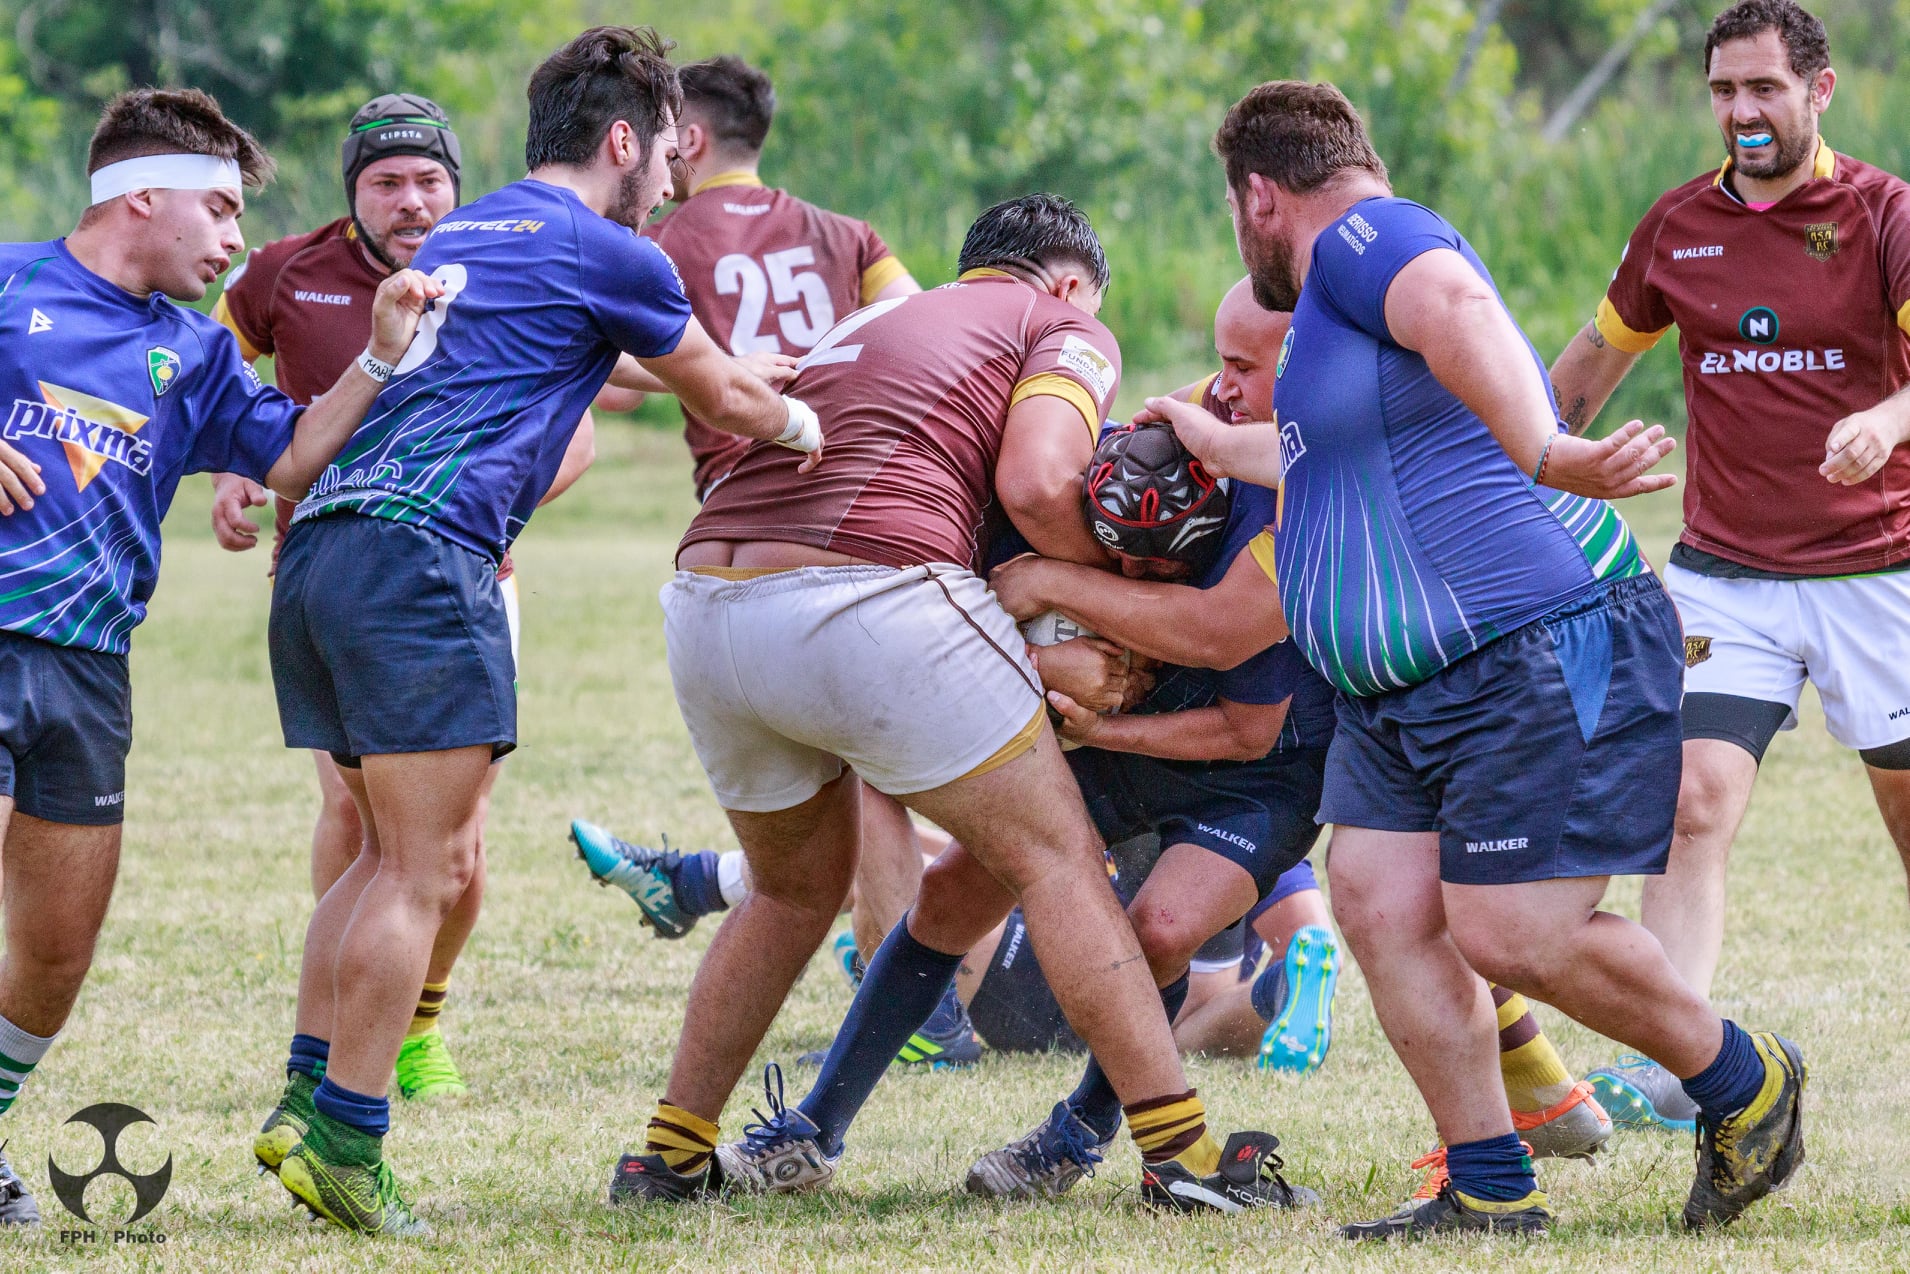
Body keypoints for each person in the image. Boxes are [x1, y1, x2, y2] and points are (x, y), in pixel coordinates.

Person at [1159, 80, 1805, 1237]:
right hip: (1402, 690)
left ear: (1258, 195)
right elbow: (1332, 459)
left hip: (1522, 647)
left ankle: (1743, 1078)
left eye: (1230, 209)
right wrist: (1211, 438)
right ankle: (1489, 1186)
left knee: (1511, 930)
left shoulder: (1366, 237)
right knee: (1375, 898)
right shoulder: (1333, 323)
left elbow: (1455, 299)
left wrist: (1545, 448)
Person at [613, 193, 1305, 1216]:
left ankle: (670, 1156)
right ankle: (1183, 1156)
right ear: (1068, 282)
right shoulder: (1059, 320)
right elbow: (1036, 487)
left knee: (791, 892)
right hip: (864, 590)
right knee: (1055, 858)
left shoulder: (876, 318)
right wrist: (1100, 603)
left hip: (708, 601)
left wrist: (1054, 635)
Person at [256, 26, 809, 1237]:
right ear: (621, 141)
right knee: (423, 867)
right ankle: (348, 1140)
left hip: (326, 547)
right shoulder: (611, 247)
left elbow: (602, 358)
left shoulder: (471, 230)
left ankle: (303, 1099)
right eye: (664, 152)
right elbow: (721, 398)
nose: (670, 176)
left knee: (373, 853)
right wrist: (800, 425)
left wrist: (726, 370)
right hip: (423, 558)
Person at [0, 87, 434, 1225]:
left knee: (55, 955)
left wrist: (380, 359)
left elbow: (290, 456)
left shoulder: (191, 350)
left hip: (91, 668)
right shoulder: (10, 281)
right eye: (224, 208)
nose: (238, 238)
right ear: (142, 195)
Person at [1548, 0, 1910, 1131]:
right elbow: (1578, 377)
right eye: (1722, 91)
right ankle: (1676, 1058)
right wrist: (1520, 453)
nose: (1741, 112)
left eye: (1763, 89)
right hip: (1724, 576)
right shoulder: (1676, 226)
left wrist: (1887, 418)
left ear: (1818, 91)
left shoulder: (1884, 214)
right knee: (1688, 803)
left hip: (1878, 572)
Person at [211, 93, 596, 1104]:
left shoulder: (504, 266)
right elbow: (215, 367)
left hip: (465, 575)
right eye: (386, 182)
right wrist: (234, 464)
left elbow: (579, 437)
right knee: (359, 817)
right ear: (354, 193)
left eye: (430, 180)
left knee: (449, 837)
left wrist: (483, 504)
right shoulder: (285, 271)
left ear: (457, 188)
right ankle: (341, 1043)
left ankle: (413, 1020)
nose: (411, 200)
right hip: (329, 573)